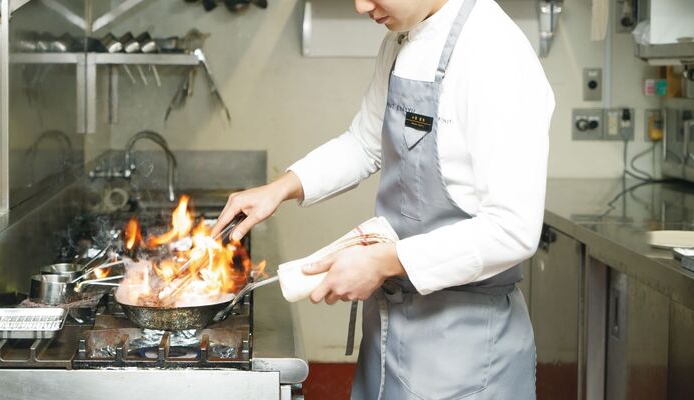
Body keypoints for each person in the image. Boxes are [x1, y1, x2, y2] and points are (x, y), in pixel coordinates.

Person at [212, 0, 553, 398]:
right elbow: (365, 143)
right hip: (392, 329)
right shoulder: (401, 38)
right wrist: (280, 188)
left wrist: (384, 262)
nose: (360, 6)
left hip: (466, 352)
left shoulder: (494, 53)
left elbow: (513, 230)